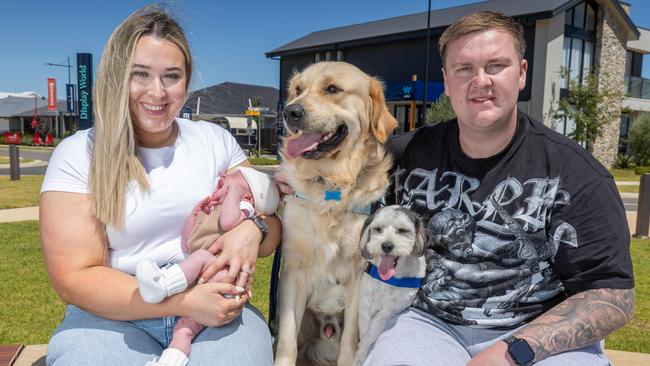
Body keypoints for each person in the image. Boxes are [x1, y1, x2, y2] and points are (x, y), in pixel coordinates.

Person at [362, 11, 635, 366]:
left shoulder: (577, 174)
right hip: (431, 324)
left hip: (541, 336)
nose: (481, 81)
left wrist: (515, 350)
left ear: (521, 73)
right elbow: (336, 177)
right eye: (464, 68)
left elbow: (613, 296)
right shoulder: (408, 152)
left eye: (496, 66)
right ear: (446, 80)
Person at [39, 4, 280, 366]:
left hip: (215, 312)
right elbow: (74, 278)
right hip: (109, 317)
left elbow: (271, 229)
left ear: (186, 79)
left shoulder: (216, 140)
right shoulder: (78, 154)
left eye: (171, 76)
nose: (158, 92)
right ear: (117, 76)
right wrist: (182, 302)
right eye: (141, 75)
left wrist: (252, 230)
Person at [135, 166, 279, 365]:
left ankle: (162, 285)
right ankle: (169, 360)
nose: (224, 177)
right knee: (184, 331)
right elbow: (188, 242)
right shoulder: (217, 210)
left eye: (233, 179)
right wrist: (195, 216)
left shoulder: (245, 209)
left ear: (250, 196)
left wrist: (234, 194)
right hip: (202, 281)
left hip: (223, 277)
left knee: (201, 256)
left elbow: (228, 222)